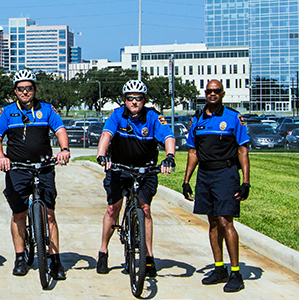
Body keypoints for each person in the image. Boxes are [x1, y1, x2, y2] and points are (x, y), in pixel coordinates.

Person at [0, 70, 70, 280]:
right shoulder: (7, 112)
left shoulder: (47, 109)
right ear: (15, 91)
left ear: (34, 89)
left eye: (29, 88)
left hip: (44, 167)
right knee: (19, 214)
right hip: (17, 168)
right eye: (21, 89)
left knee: (50, 215)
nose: (25, 92)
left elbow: (60, 130)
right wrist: (1, 157)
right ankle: (19, 258)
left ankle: (55, 261)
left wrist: (64, 149)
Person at [94, 79, 176, 277]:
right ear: (124, 100)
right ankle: (103, 251)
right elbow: (106, 135)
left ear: (144, 100)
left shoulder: (154, 117)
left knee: (145, 209)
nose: (134, 103)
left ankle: (148, 257)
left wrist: (170, 157)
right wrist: (101, 154)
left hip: (145, 170)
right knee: (113, 208)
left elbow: (168, 137)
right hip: (119, 169)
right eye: (130, 99)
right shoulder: (116, 115)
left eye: (138, 99)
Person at [182, 79, 250, 293]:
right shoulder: (198, 119)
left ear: (222, 93)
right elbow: (193, 152)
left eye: (216, 91)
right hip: (205, 173)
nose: (213, 94)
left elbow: (243, 151)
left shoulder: (233, 118)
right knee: (212, 221)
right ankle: (219, 268)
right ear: (205, 93)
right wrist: (186, 180)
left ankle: (236, 272)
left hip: (226, 173)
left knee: (225, 220)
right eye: (210, 91)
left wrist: (246, 182)